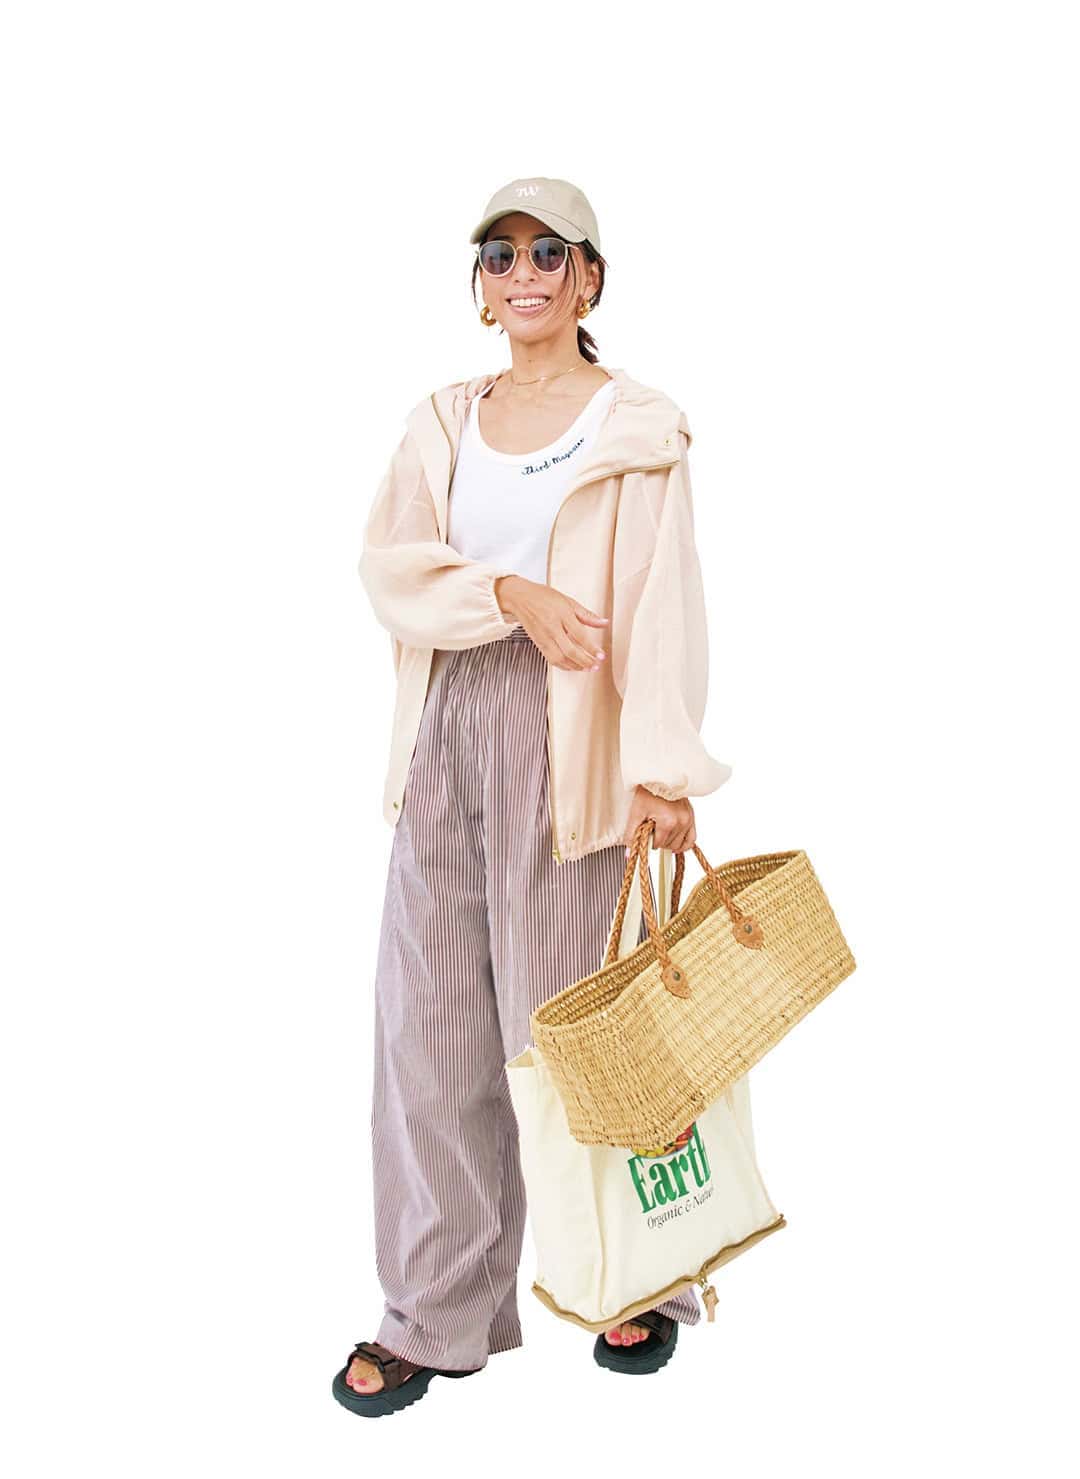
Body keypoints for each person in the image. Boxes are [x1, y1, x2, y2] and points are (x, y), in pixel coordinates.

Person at [331, 177, 733, 1418]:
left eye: (551, 253)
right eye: (501, 255)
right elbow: (391, 571)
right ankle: (433, 1310)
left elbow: (663, 605)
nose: (525, 274)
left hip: (575, 734)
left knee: (575, 1030)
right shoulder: (441, 422)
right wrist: (507, 595)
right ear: (481, 284)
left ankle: (632, 1279)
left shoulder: (637, 426)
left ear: (590, 279)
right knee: (429, 1028)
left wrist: (663, 769)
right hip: (447, 716)